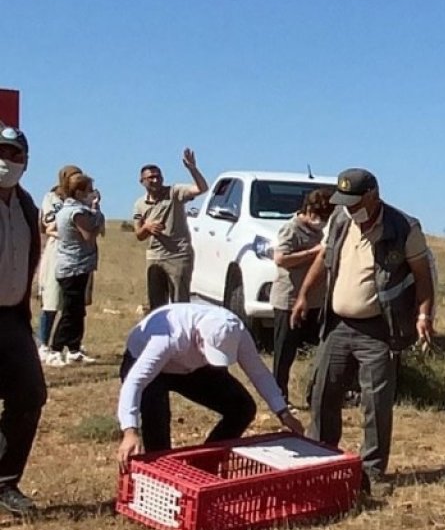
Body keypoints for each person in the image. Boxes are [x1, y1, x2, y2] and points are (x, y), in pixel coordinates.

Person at [293, 168, 436, 493]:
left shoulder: (404, 228)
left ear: (373, 194)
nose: (349, 207)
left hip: (379, 329)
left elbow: (422, 276)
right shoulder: (341, 220)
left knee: (375, 401)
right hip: (338, 325)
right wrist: (304, 294)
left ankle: (372, 472)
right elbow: (324, 259)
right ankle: (321, 458)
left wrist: (424, 314)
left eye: (355, 200)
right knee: (323, 392)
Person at [116, 303, 305, 467]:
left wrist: (282, 411)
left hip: (193, 367)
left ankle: (204, 463)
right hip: (148, 367)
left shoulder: (235, 330)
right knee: (157, 428)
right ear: (199, 337)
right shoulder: (170, 336)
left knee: (242, 408)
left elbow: (259, 372)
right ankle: (160, 481)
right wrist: (130, 431)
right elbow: (135, 382)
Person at [0, 124, 46, 516]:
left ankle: (5, 482)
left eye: (16, 155)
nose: (8, 161)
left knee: (30, 394)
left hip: (12, 317)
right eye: (2, 152)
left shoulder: (27, 206)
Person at [269, 187, 334, 408]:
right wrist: (313, 252)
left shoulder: (324, 231)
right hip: (289, 300)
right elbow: (280, 259)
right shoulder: (291, 229)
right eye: (319, 217)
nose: (321, 222)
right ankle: (278, 398)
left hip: (316, 302)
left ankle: (315, 395)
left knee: (321, 350)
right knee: (285, 354)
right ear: (308, 210)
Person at [132, 149, 208, 311]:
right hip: (155, 256)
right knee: (156, 303)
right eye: (150, 177)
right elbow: (138, 235)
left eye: (158, 176)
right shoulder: (140, 204)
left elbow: (202, 188)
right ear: (142, 181)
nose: (155, 180)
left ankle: (180, 335)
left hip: (178, 255)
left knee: (179, 303)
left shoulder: (174, 193)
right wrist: (147, 227)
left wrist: (192, 169)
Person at [49, 171, 105, 364]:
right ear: (80, 192)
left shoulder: (67, 209)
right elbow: (88, 237)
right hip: (74, 266)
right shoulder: (77, 213)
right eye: (89, 190)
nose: (92, 193)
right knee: (71, 311)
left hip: (75, 265)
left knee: (78, 309)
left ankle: (73, 348)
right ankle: (55, 349)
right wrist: (98, 220)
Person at [35, 164, 82, 366]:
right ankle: (43, 344)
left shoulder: (80, 198)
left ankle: (72, 346)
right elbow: (49, 225)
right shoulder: (51, 198)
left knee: (73, 303)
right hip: (57, 250)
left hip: (77, 252)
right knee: (51, 301)